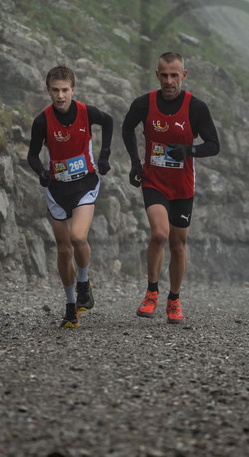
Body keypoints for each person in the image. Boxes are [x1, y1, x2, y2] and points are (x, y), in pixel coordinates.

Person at [121, 52, 220, 324]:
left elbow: (214, 145)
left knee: (178, 243)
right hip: (153, 180)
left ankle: (174, 299)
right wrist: (135, 163)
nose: (169, 80)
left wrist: (189, 150)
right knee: (159, 234)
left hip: (183, 185)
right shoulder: (144, 104)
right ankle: (152, 292)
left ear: (183, 76)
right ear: (157, 75)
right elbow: (127, 128)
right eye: (164, 75)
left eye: (174, 75)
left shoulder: (196, 108)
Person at [26, 65, 113, 328]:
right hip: (57, 190)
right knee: (64, 251)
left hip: (85, 184)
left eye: (65, 90)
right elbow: (31, 155)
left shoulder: (86, 113)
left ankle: (84, 284)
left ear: (73, 90)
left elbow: (108, 121)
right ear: (48, 90)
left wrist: (104, 155)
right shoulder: (42, 121)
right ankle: (70, 306)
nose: (61, 95)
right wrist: (41, 171)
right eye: (55, 90)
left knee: (78, 237)